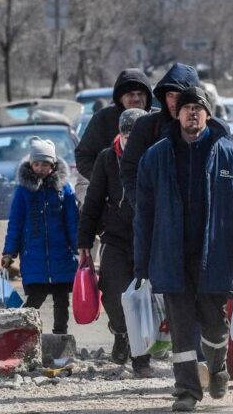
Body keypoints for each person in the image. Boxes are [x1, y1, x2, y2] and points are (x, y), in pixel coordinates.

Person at [133, 87, 233, 412]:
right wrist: (141, 264)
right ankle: (187, 390)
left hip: (217, 255)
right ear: (177, 114)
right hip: (172, 257)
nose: (193, 113)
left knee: (214, 324)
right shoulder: (156, 157)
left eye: (199, 108)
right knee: (182, 328)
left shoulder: (230, 156)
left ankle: (217, 365)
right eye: (187, 108)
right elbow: (144, 215)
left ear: (208, 114)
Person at [76, 108, 152, 376]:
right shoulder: (107, 159)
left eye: (137, 136)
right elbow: (94, 201)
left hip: (149, 239)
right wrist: (85, 239)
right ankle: (120, 332)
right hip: (116, 237)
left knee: (145, 299)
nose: (132, 141)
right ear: (120, 134)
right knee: (113, 293)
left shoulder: (155, 155)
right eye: (127, 135)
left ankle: (141, 357)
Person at [2, 138, 78, 334]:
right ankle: (22, 335)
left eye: (45, 164)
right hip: (33, 259)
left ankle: (60, 337)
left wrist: (80, 247)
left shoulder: (64, 189)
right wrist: (10, 252)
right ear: (30, 164)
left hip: (61, 257)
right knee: (34, 300)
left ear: (52, 165)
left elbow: (72, 222)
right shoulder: (23, 192)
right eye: (37, 163)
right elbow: (16, 223)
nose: (40, 168)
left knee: (62, 302)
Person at [121, 62, 200, 207]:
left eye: (180, 95)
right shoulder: (146, 126)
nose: (174, 102)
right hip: (158, 216)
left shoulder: (214, 131)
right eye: (170, 95)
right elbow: (129, 169)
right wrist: (142, 206)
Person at [75, 68, 152, 180]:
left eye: (140, 94)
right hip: (114, 195)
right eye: (130, 94)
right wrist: (105, 182)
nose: (136, 98)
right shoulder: (103, 119)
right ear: (120, 98)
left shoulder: (157, 119)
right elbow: (83, 156)